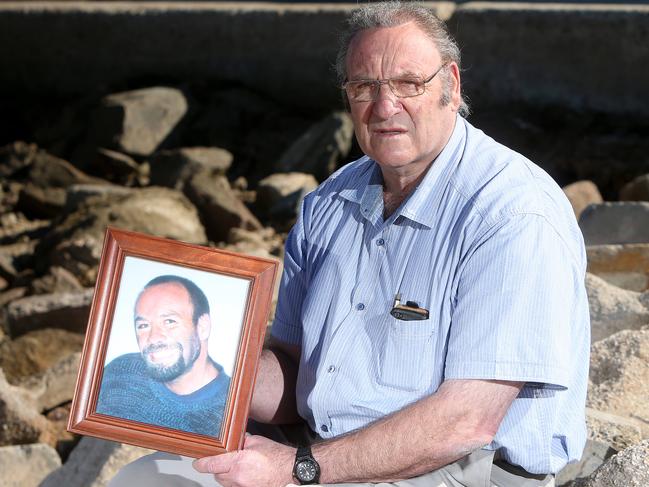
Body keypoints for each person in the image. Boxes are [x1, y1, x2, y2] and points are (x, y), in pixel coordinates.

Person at [110, 2, 589, 486]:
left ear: (452, 85)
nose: (385, 107)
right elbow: (294, 373)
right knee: (146, 479)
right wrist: (202, 361)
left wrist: (297, 469)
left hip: (463, 468)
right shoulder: (328, 204)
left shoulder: (512, 214)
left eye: (408, 84)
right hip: (331, 451)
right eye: (364, 87)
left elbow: (467, 420)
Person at [97, 274, 231, 437]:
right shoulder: (118, 376)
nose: (154, 338)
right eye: (144, 325)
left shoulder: (230, 410)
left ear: (202, 327)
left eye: (169, 322)